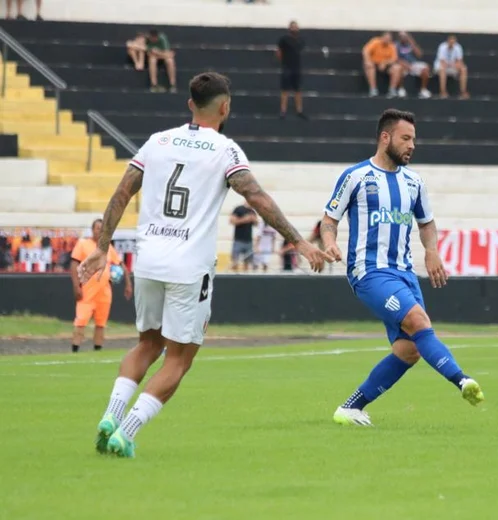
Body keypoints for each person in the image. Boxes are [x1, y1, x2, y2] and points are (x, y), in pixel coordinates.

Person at [78, 71, 330, 458]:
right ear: (225, 107)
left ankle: (111, 415)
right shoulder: (225, 150)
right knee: (179, 358)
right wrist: (297, 241)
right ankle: (125, 432)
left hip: (148, 262)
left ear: (189, 104)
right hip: (188, 267)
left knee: (147, 344)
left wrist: (101, 246)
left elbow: (122, 192)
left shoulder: (156, 142)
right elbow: (256, 196)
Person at [322, 109, 484, 427]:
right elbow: (329, 219)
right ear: (386, 138)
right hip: (369, 271)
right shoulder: (356, 176)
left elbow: (426, 223)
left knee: (409, 349)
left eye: (414, 140)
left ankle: (350, 408)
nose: (412, 146)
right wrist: (329, 242)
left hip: (405, 273)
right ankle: (462, 380)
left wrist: (433, 251)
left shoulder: (414, 182)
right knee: (418, 320)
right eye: (405, 138)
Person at [69, 219, 132, 353]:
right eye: (98, 228)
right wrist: (76, 286)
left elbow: (121, 265)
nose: (100, 231)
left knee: (101, 323)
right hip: (87, 290)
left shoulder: (108, 247)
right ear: (92, 230)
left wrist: (128, 284)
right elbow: (74, 265)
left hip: (104, 292)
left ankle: (97, 350)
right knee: (81, 321)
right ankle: (75, 349)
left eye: (102, 229)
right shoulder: (83, 244)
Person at [276, 20, 307, 119]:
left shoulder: (300, 40)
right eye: (292, 26)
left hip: (296, 68)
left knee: (298, 90)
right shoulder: (284, 39)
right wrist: (284, 63)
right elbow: (279, 52)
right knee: (285, 90)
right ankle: (283, 111)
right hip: (287, 67)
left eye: (295, 26)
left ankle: (299, 110)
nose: (294, 28)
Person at [362, 32, 401, 98]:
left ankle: (392, 90)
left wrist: (385, 63)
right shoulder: (375, 41)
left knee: (397, 68)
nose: (387, 40)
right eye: (386, 38)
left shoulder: (392, 46)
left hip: (385, 66)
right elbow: (366, 51)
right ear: (382, 37)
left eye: (389, 39)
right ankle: (373, 89)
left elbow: (394, 58)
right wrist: (367, 60)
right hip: (374, 63)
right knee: (369, 66)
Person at [396, 32, 432, 99]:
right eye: (402, 36)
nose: (403, 38)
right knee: (399, 69)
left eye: (405, 36)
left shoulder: (411, 44)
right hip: (403, 65)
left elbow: (419, 54)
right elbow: (396, 58)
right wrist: (405, 64)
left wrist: (412, 42)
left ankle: (423, 90)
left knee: (426, 68)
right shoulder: (396, 45)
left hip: (413, 64)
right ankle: (401, 89)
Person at [434, 35, 469, 99]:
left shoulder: (458, 47)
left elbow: (460, 61)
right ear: (448, 41)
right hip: (441, 67)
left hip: (452, 67)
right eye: (450, 42)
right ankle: (443, 92)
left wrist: (454, 65)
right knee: (442, 69)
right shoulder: (442, 47)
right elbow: (442, 62)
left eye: (453, 42)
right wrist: (452, 65)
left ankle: (463, 92)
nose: (452, 44)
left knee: (464, 69)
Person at [230, 202, 257, 271]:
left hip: (249, 241)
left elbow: (256, 224)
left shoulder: (252, 211)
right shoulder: (238, 209)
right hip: (238, 240)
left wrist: (254, 220)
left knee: (247, 262)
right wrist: (244, 220)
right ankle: (234, 278)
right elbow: (231, 221)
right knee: (235, 261)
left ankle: (245, 279)